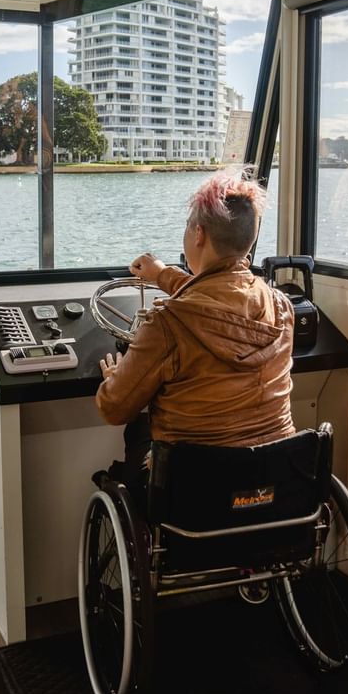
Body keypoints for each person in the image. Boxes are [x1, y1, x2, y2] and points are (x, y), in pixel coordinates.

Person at [95, 167, 296, 493]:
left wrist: (114, 379)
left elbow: (114, 408)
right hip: (274, 486)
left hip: (194, 495)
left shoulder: (167, 323)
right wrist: (163, 274)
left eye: (188, 228)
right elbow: (223, 300)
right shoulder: (281, 308)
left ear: (199, 234)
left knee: (137, 431)